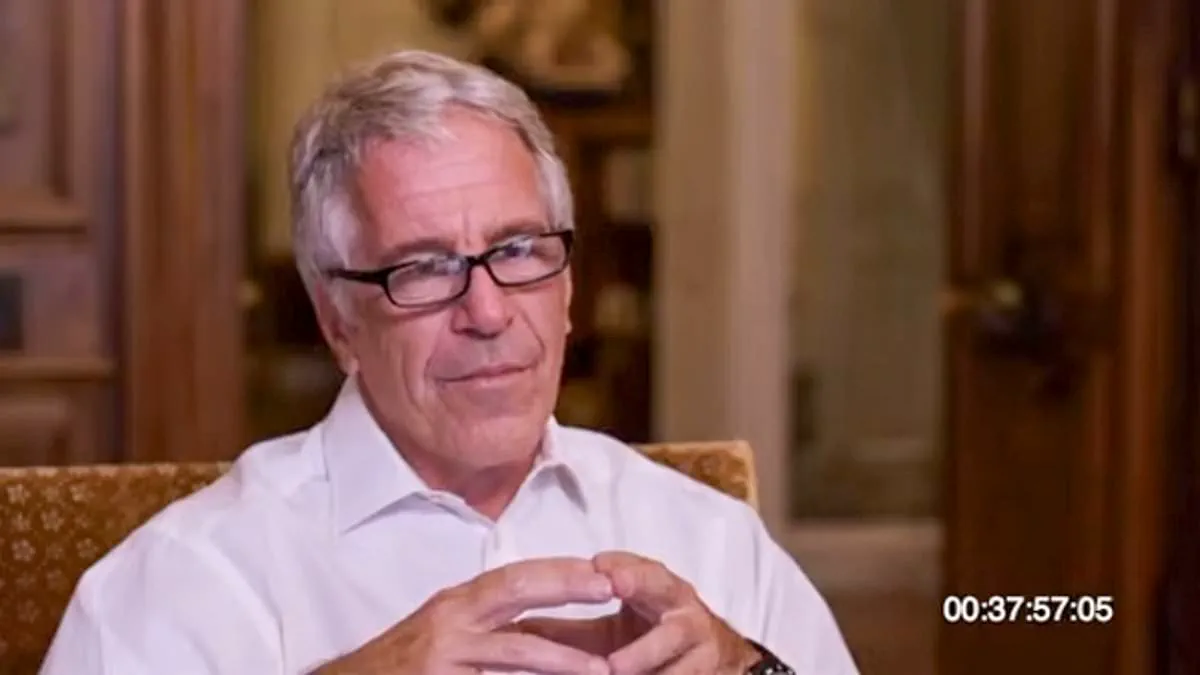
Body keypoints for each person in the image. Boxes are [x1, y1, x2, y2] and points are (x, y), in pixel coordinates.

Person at [39, 50, 858, 675]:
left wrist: (748, 668)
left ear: (568, 287)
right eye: (425, 268)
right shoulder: (183, 582)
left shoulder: (710, 540)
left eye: (519, 249)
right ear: (337, 319)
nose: (488, 312)